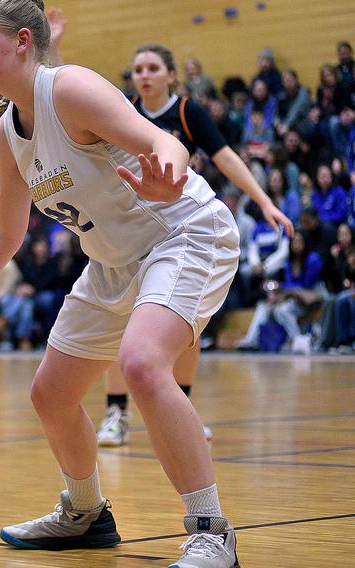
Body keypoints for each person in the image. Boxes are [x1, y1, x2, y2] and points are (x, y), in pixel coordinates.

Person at [0, 2, 242, 566]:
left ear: (22, 42)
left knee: (141, 363)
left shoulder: (71, 89)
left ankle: (212, 531)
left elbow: (164, 142)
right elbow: (5, 232)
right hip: (113, 262)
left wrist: (168, 173)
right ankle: (86, 514)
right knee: (51, 394)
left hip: (180, 233)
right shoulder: (8, 134)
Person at [96, 42, 294, 448]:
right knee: (121, 323)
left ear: (171, 74)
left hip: (182, 228)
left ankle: (180, 409)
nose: (145, 75)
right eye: (138, 69)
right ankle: (116, 412)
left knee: (188, 325)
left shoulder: (188, 112)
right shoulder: (125, 109)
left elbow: (225, 158)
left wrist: (264, 201)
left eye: (153, 67)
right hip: (135, 228)